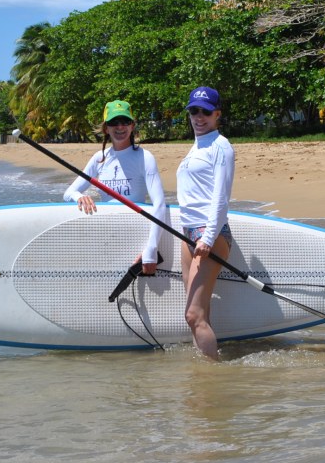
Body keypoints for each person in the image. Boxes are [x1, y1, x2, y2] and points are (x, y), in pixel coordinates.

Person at [63, 100, 166, 274]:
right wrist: (79, 197)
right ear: (106, 128)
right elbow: (68, 193)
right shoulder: (99, 158)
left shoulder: (144, 157)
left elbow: (159, 204)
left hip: (136, 231)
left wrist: (151, 247)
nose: (120, 127)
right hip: (107, 233)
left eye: (125, 121)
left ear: (132, 125)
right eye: (113, 123)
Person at [176, 86, 235, 359]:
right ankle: (203, 380)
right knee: (198, 313)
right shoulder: (196, 145)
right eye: (194, 111)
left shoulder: (220, 146)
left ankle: (214, 376)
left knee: (193, 314)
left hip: (207, 235)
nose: (199, 117)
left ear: (217, 114)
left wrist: (208, 238)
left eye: (206, 112)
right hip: (188, 234)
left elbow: (221, 199)